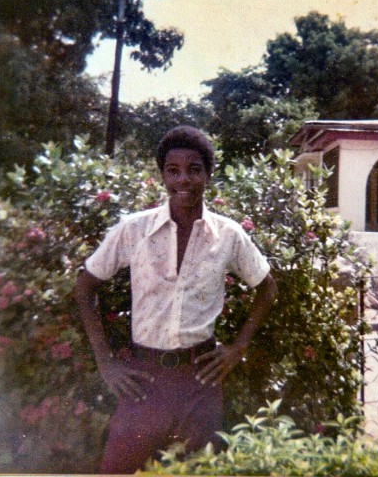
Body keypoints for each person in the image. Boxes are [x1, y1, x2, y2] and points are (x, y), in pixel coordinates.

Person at [74, 126, 278, 475]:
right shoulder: (134, 229)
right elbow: (84, 286)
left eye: (194, 169)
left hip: (200, 381)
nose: (183, 179)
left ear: (208, 174)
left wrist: (237, 348)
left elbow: (267, 288)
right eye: (173, 171)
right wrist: (105, 362)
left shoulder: (228, 235)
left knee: (199, 471)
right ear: (163, 176)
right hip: (144, 380)